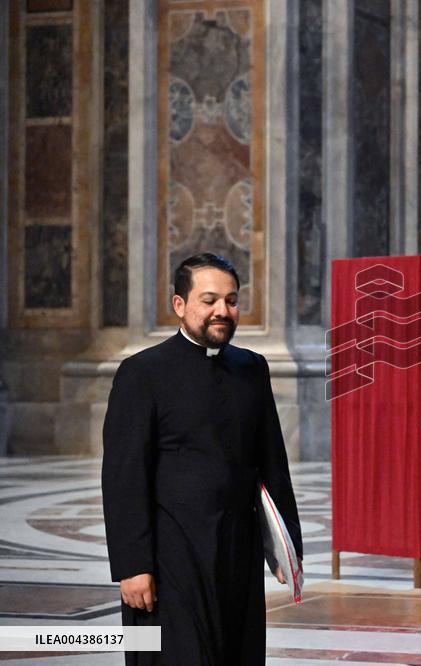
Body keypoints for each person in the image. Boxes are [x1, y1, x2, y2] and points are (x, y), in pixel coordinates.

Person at [102, 253, 302, 665]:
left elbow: (272, 462)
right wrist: (132, 565)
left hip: (237, 550)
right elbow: (124, 477)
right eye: (209, 300)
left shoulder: (252, 368)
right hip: (170, 554)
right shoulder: (142, 373)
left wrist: (288, 546)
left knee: (237, 653)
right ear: (179, 305)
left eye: (231, 301)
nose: (221, 312)